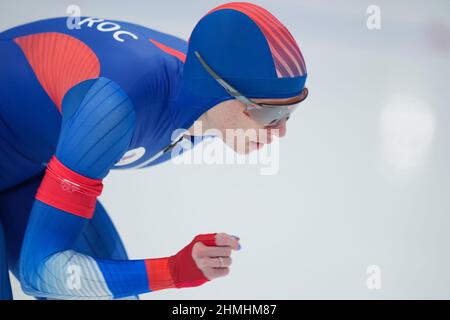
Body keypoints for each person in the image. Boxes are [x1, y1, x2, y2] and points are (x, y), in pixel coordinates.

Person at [0, 2, 308, 299]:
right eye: (268, 114)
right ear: (219, 92)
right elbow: (40, 272)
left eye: (289, 112)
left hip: (28, 163)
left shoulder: (210, 98)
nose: (281, 132)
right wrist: (173, 270)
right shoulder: (113, 106)